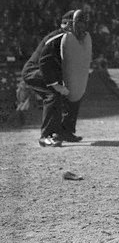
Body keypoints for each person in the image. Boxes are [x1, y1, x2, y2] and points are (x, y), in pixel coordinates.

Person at [22, 10, 92, 147]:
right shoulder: (58, 37)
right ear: (66, 24)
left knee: (74, 93)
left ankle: (65, 131)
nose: (82, 26)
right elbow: (44, 62)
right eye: (79, 23)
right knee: (53, 95)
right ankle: (46, 135)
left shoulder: (75, 40)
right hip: (35, 71)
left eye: (84, 23)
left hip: (52, 72)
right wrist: (56, 85)